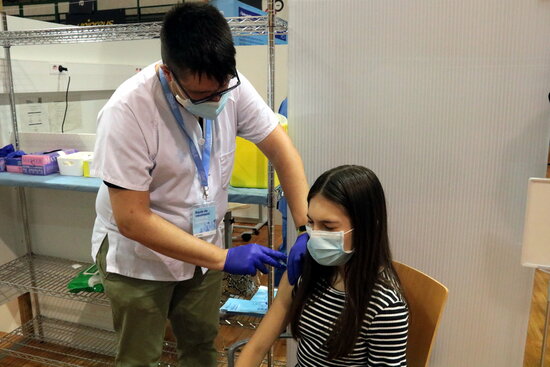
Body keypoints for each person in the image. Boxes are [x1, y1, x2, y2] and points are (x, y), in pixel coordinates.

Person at [90, 3, 308, 366]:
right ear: (169, 74)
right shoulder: (127, 111)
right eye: (202, 96)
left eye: (222, 89)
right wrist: (225, 257)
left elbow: (282, 151)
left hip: (202, 249)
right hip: (141, 259)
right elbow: (132, 219)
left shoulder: (230, 84)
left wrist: (304, 227)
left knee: (202, 345)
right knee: (140, 357)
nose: (217, 101)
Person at [236, 165, 409, 367]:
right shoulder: (307, 271)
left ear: (367, 227)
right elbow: (257, 347)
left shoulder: (385, 305)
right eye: (310, 223)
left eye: (328, 227)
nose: (315, 235)